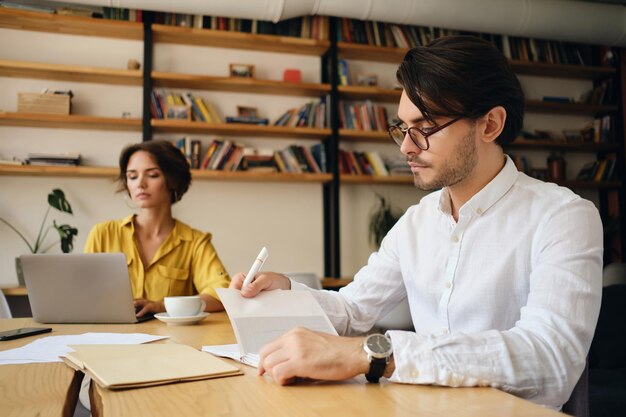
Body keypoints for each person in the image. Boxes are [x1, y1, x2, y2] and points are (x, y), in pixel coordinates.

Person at [230, 36, 603, 409]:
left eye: (425, 128)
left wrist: (375, 354)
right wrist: (287, 293)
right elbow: (353, 309)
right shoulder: (417, 222)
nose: (406, 147)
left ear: (490, 124)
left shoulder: (563, 217)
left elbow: (550, 356)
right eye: (403, 128)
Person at [85, 140, 230, 317]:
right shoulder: (102, 234)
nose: (140, 184)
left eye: (152, 175)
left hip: (172, 340)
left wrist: (164, 307)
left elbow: (222, 293)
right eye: (132, 176)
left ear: (172, 180)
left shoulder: (195, 242)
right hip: (110, 337)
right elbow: (82, 293)